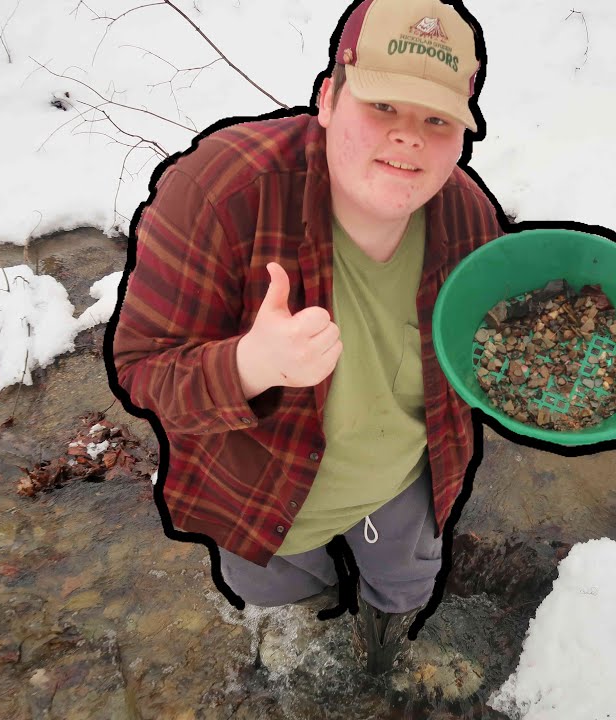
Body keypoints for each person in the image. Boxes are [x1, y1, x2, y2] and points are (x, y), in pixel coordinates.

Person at [108, 0, 502, 675]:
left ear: (461, 135)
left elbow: (484, 358)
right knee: (296, 650)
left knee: (404, 600)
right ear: (328, 98)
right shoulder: (219, 191)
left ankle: (391, 650)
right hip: (259, 490)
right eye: (382, 106)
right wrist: (247, 366)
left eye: (436, 119)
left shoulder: (467, 218)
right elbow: (143, 369)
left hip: (400, 483)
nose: (409, 138)